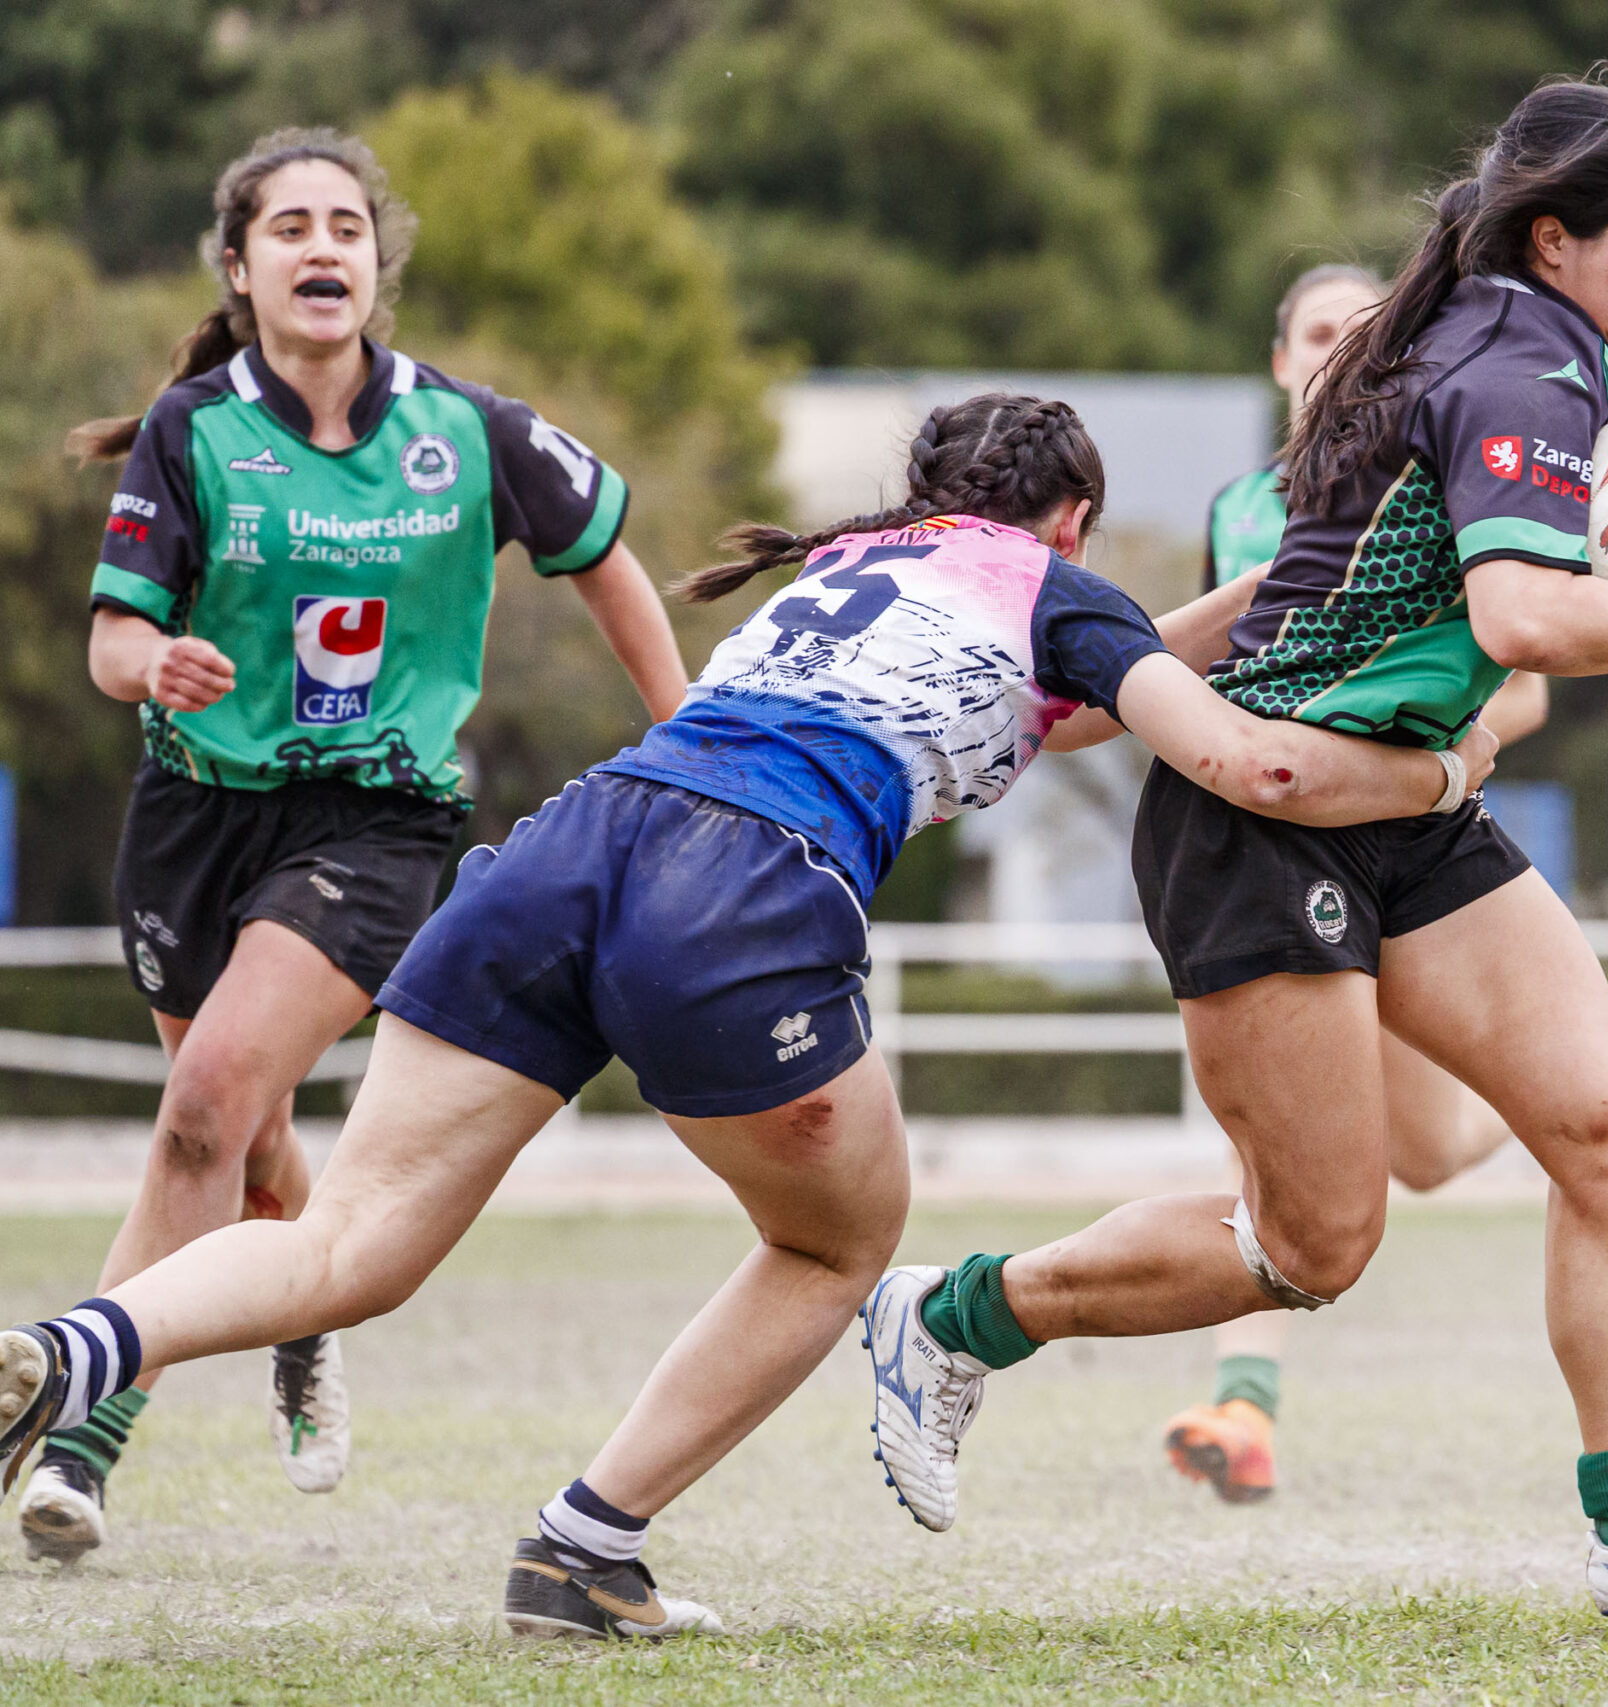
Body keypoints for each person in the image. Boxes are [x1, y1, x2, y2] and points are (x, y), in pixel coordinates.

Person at [0, 392, 1498, 1638]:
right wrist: (1444, 769)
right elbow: (1245, 763)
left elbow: (1085, 676)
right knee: (838, 1241)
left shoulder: (855, 570)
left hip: (567, 844)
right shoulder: (1057, 591)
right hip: (742, 884)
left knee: (348, 1242)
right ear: (1073, 522)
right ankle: (585, 1546)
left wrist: (1265, 583)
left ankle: (71, 1348)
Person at [860, 68, 1608, 1623]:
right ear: (1556, 238)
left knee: (1607, 1131)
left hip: (1405, 808)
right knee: (1311, 1246)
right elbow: (1525, 616)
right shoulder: (1511, 360)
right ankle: (952, 1314)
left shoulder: (1520, 337)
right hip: (1260, 810)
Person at [18, 128, 690, 1566]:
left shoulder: (469, 430)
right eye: (289, 227)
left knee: (204, 1102)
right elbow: (111, 634)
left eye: (346, 226)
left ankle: (79, 1430)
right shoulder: (192, 430)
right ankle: (308, 1311)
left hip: (378, 822)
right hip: (196, 814)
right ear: (241, 264)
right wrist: (154, 666)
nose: (321, 247)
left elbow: (607, 559)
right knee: (250, 1138)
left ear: (377, 261)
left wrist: (685, 734)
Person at [1163, 263, 1551, 1503]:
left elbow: (1523, 676)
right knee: (1273, 1154)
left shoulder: (1455, 473)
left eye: (1362, 332)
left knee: (1429, 1153)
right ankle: (1243, 1409)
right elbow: (1226, 673)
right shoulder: (1243, 507)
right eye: (1318, 333)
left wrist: (1454, 750)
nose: (1340, 351)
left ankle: (1565, 1090)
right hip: (1270, 844)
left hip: (1409, 841)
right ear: (1280, 363)